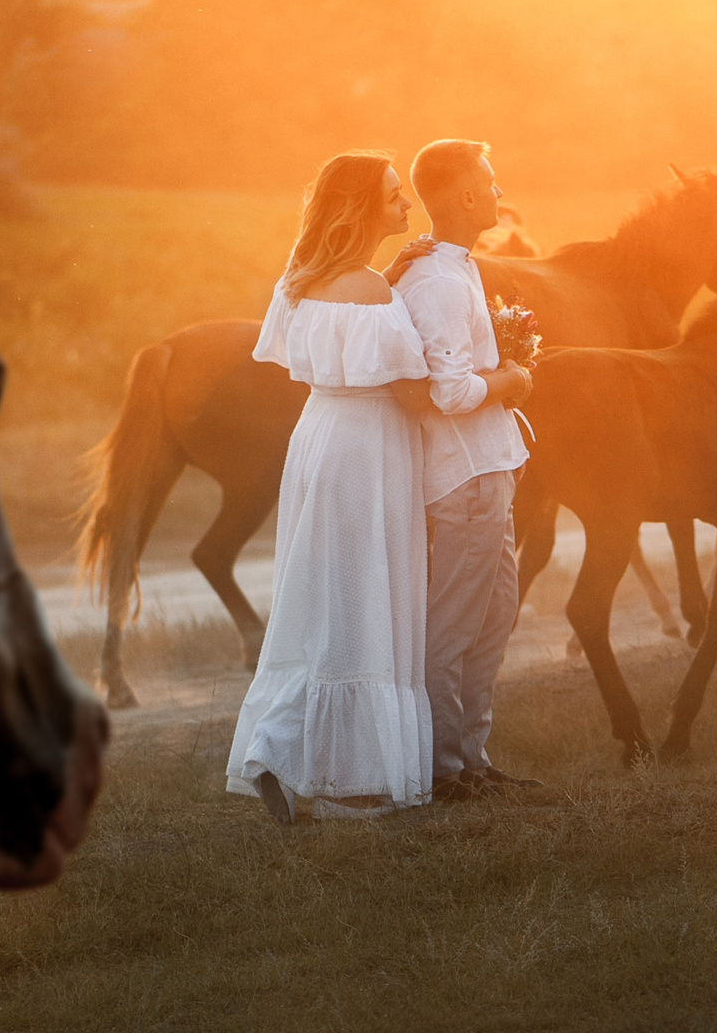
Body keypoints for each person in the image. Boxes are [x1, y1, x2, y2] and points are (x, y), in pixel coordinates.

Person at [224, 153, 456, 823]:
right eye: (393, 197)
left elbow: (342, 340)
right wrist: (495, 375)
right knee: (364, 597)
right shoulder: (376, 296)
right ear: (362, 209)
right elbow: (413, 393)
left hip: (320, 434)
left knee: (317, 597)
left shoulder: (302, 282)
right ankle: (347, 783)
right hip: (369, 448)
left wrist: (390, 273)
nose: (406, 206)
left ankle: (278, 745)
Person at [389, 139, 539, 800]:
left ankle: (471, 756)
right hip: (465, 478)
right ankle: (444, 768)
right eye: (492, 178)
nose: (500, 190)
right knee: (454, 625)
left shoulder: (456, 268)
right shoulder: (438, 281)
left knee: (497, 612)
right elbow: (449, 392)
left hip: (491, 469)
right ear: (466, 196)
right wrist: (512, 377)